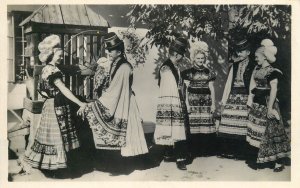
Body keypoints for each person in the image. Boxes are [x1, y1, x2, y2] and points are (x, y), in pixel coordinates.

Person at [18, 35, 87, 175]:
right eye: (59, 55)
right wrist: (80, 103)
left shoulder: (47, 68)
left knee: (50, 137)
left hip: (50, 105)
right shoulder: (52, 71)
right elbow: (64, 90)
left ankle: (52, 168)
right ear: (51, 54)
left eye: (61, 55)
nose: (61, 58)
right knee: (56, 137)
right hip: (55, 106)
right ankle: (56, 169)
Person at [78, 32, 148, 159]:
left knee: (129, 137)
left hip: (125, 101)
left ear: (119, 52)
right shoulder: (115, 64)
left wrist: (94, 105)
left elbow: (116, 90)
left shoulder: (124, 67)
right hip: (121, 99)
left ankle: (131, 164)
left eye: (111, 50)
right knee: (127, 140)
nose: (108, 53)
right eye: (108, 50)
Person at [246, 39, 290, 172]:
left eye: (257, 57)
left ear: (264, 56)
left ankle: (278, 162)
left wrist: (270, 108)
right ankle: (262, 158)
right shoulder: (257, 69)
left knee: (272, 131)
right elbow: (254, 86)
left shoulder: (273, 71)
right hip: (258, 104)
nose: (255, 59)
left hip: (268, 103)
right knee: (259, 131)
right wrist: (251, 99)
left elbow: (274, 90)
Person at [154, 37, 189, 170]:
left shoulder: (173, 66)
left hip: (177, 101)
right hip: (172, 102)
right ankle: (179, 158)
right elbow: (169, 88)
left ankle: (170, 154)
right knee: (176, 128)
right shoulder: (166, 68)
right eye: (181, 55)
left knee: (176, 128)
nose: (182, 58)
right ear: (176, 54)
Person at [218, 38, 256, 159]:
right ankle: (229, 150)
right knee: (228, 119)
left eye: (242, 51)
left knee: (242, 123)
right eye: (238, 51)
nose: (239, 53)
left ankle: (241, 152)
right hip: (233, 96)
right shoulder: (234, 65)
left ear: (248, 52)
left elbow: (252, 84)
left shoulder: (253, 66)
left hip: (245, 96)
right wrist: (224, 101)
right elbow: (229, 83)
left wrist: (250, 101)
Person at [181, 41, 217, 157]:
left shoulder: (209, 73)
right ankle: (194, 150)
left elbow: (211, 88)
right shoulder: (188, 73)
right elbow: (185, 89)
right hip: (193, 103)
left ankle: (205, 150)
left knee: (205, 126)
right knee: (194, 126)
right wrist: (186, 104)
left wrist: (213, 104)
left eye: (202, 58)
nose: (200, 60)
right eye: (198, 58)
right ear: (193, 59)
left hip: (206, 103)